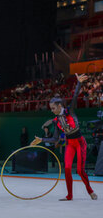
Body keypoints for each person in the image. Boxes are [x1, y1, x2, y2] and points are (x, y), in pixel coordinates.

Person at [31, 73, 97, 201]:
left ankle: (90, 191)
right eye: (51, 108)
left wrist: (79, 83)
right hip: (69, 143)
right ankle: (69, 195)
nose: (52, 110)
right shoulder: (56, 121)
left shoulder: (69, 110)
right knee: (67, 168)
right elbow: (55, 139)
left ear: (60, 106)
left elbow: (75, 96)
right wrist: (42, 140)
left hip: (79, 142)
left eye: (53, 108)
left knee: (79, 170)